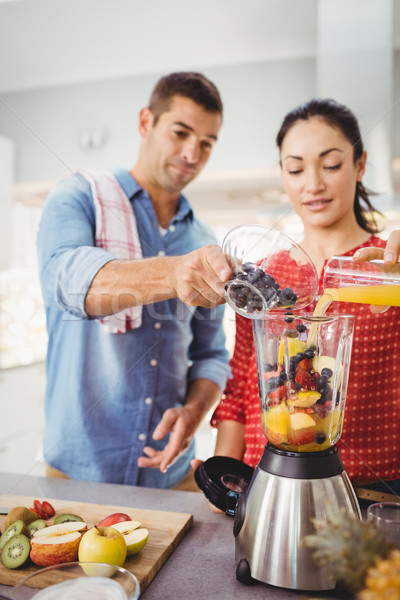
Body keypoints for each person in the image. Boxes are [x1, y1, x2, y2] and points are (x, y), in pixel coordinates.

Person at [37, 72, 233, 489]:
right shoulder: (79, 197)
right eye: (180, 132)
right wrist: (173, 272)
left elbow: (212, 354)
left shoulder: (202, 239)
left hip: (171, 476)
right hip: (78, 477)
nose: (191, 153)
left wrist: (195, 411)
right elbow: (66, 281)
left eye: (206, 143)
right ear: (146, 122)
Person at [207, 98, 400, 501]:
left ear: (360, 165)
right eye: (295, 169)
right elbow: (241, 388)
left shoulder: (390, 271)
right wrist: (222, 481)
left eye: (330, 165)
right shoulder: (263, 278)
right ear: (283, 174)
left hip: (374, 492)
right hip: (267, 488)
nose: (312, 184)